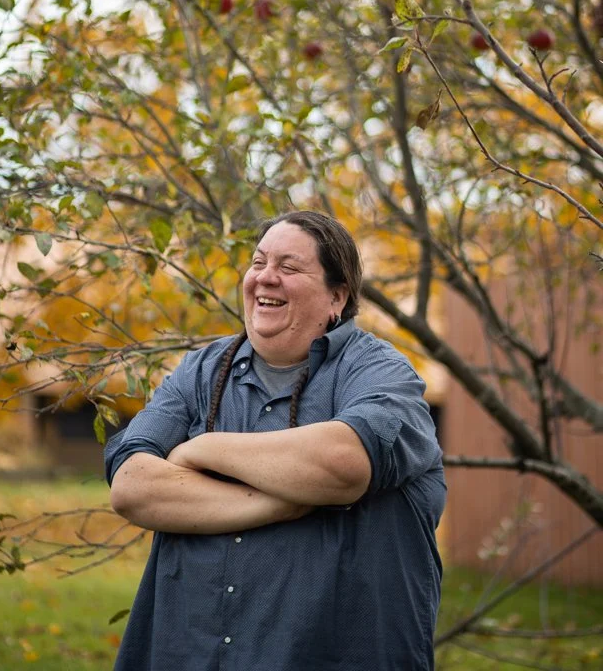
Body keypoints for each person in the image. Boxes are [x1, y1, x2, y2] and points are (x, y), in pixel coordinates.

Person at [104, 210, 446, 671]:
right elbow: (131, 486)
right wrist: (278, 503)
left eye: (289, 267)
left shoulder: (380, 374)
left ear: (337, 297)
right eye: (258, 262)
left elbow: (343, 463)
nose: (265, 277)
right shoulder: (199, 373)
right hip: (193, 656)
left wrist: (200, 449)